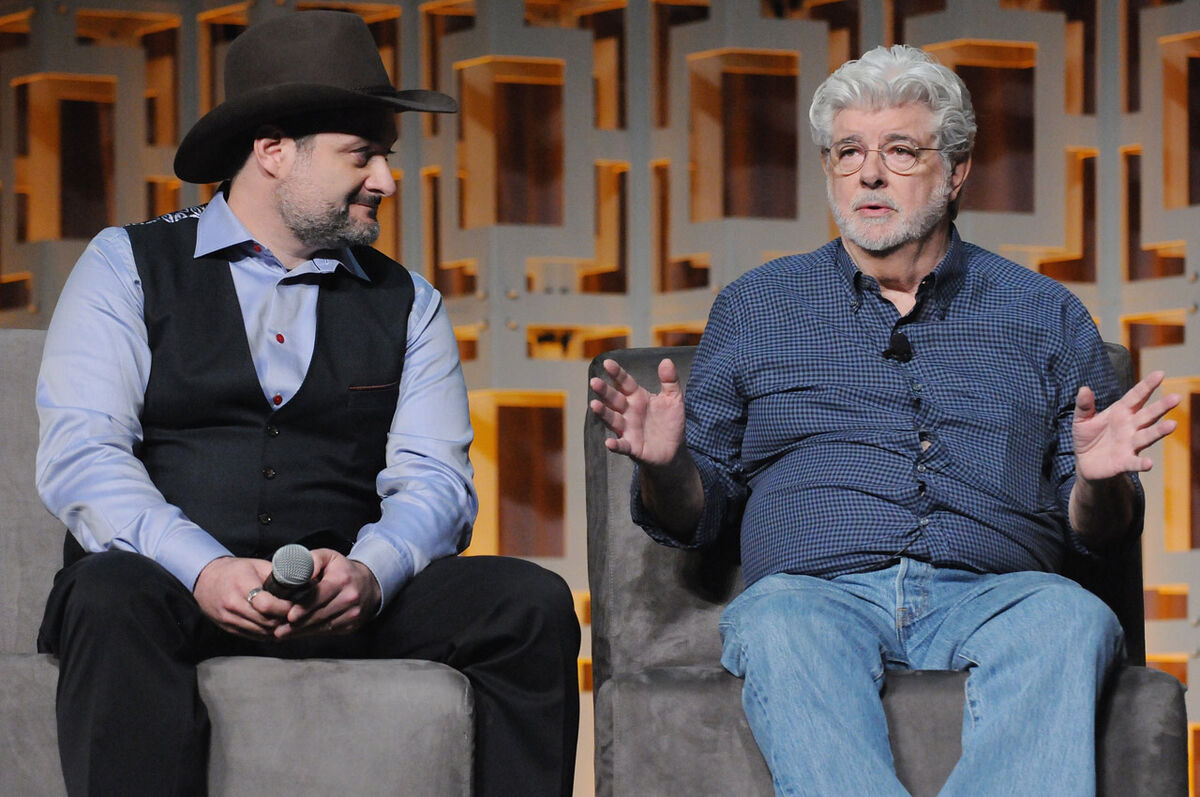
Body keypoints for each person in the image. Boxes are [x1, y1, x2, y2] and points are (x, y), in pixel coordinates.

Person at [589, 44, 1179, 795]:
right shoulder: (755, 308)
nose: (868, 172)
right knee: (779, 622)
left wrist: (1099, 480)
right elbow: (696, 519)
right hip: (814, 591)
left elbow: (1097, 532)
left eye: (899, 150)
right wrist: (668, 465)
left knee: (1071, 618)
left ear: (957, 169)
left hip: (997, 592)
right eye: (847, 152)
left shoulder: (1045, 313)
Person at [35, 11, 579, 797]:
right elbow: (83, 456)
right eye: (364, 155)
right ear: (273, 150)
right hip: (171, 586)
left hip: (346, 596)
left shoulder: (409, 301)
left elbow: (437, 483)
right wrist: (206, 568)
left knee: (529, 603)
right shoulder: (126, 263)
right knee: (107, 592)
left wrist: (368, 572)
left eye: (386, 157)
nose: (388, 180)